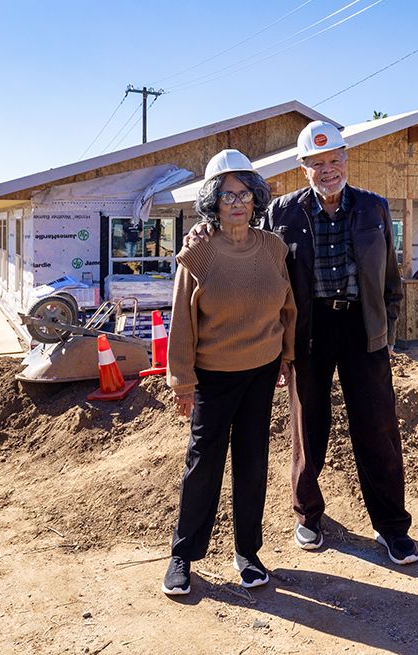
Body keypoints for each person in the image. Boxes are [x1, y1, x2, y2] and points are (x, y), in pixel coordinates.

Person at [185, 120, 418, 566]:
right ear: (303, 167)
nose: (327, 169)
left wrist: (386, 331)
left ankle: (391, 527)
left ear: (346, 159)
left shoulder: (374, 208)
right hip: (307, 333)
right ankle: (308, 515)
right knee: (309, 428)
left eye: (334, 160)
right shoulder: (283, 213)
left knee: (378, 429)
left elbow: (391, 277)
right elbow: (250, 249)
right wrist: (201, 233)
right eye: (316, 163)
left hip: (363, 331)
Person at [161, 149, 296, 596]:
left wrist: (285, 358)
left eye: (244, 193)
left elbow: (288, 308)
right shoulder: (198, 251)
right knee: (203, 464)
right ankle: (183, 555)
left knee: (253, 462)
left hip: (261, 372)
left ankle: (248, 552)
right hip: (214, 376)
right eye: (226, 195)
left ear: (257, 199)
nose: (236, 202)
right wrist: (182, 380)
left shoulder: (274, 248)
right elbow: (183, 319)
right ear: (213, 202)